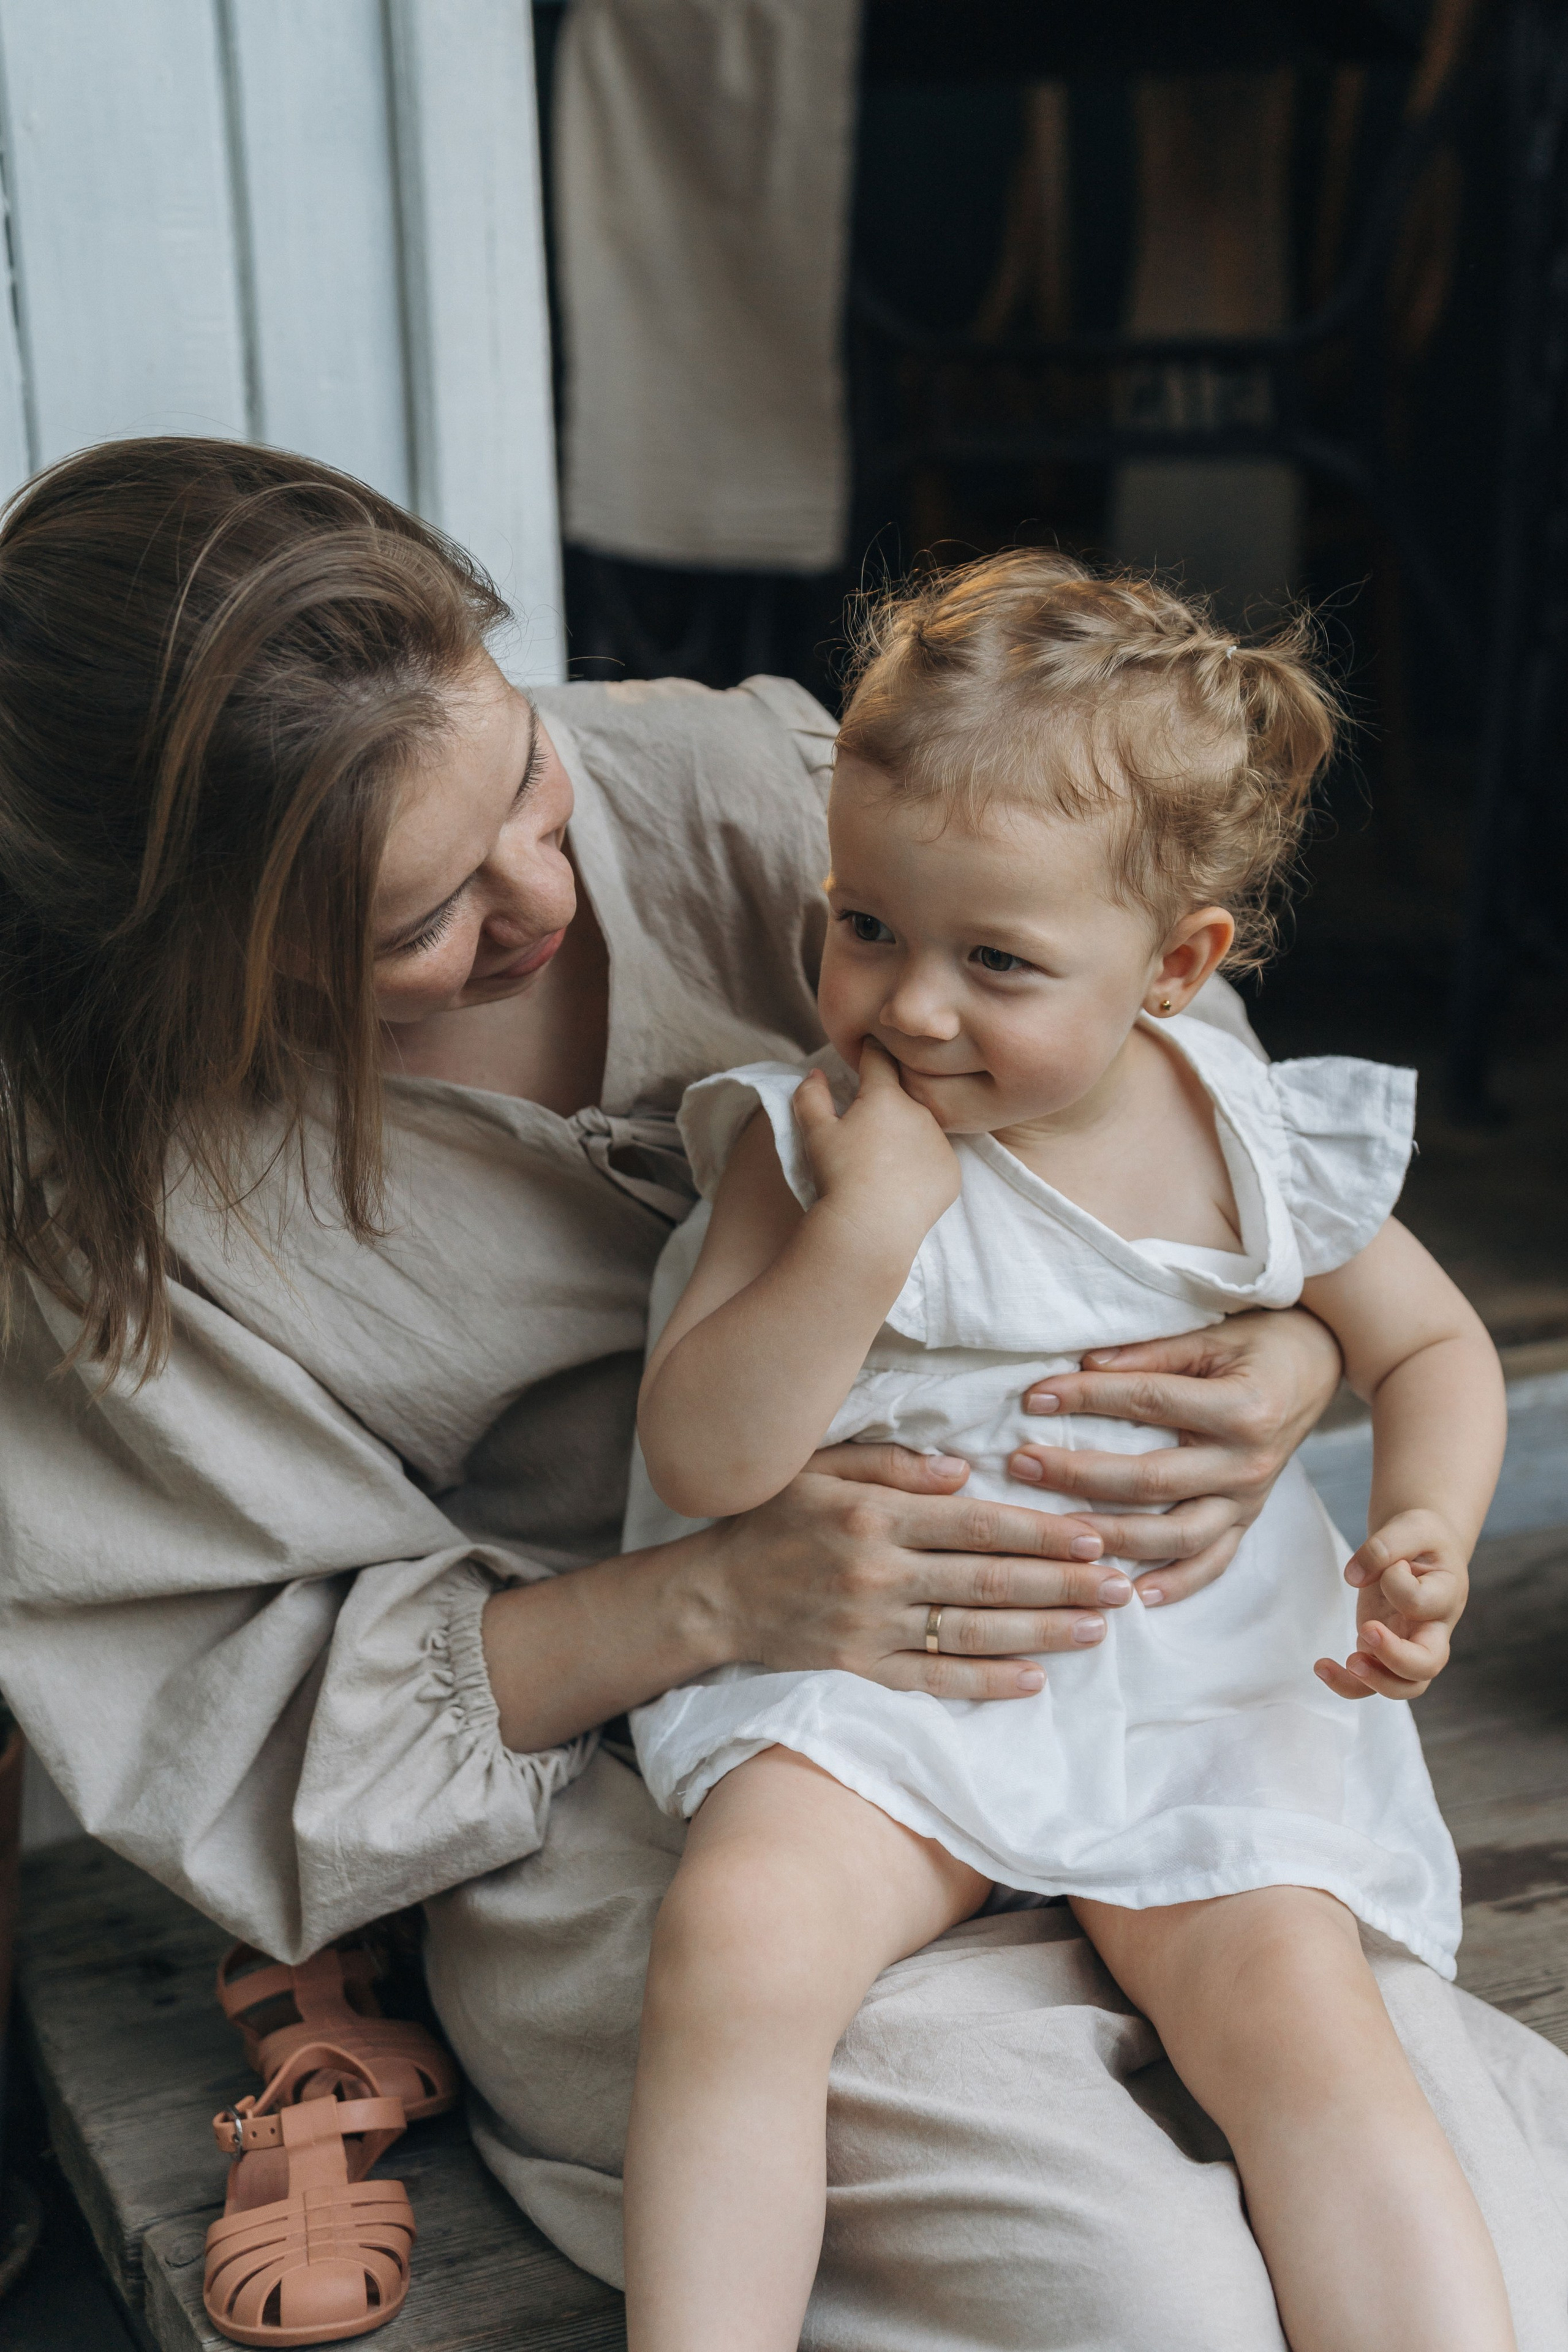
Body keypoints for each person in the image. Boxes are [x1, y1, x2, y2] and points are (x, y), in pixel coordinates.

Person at [0, 442, 1563, 2351]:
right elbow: (254, 1724)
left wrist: (1292, 1361)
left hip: (1149, 1674)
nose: (542, 893)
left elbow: (1192, 1104)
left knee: (1436, 2170)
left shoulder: (781, 781)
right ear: (196, 959)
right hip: (700, 1754)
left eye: (529, 780)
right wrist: (720, 1590)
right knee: (1140, 2300)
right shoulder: (99, 1218)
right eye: (418, 923)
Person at [626, 552, 1513, 2351]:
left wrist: (1424, 1527)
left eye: (998, 962)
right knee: (740, 1937)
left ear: (1174, 968)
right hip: (887, 1676)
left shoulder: (1249, 1142)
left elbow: (1434, 1346)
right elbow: (706, 1459)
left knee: (1299, 2020)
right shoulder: (812, 1146)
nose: (910, 1007)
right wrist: (866, 1231)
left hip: (1188, 1673)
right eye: (866, 924)